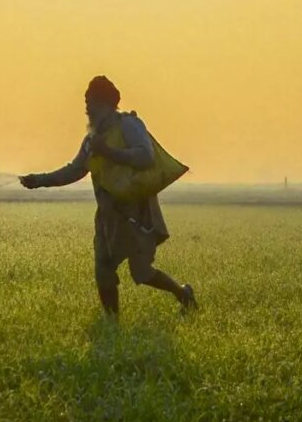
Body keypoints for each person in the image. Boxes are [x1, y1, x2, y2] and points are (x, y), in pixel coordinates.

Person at [19, 75, 197, 319]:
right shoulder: (92, 140)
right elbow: (76, 170)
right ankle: (112, 322)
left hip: (136, 213)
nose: (87, 110)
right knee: (103, 269)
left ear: (105, 105)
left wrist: (109, 152)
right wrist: (39, 180)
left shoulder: (129, 126)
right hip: (108, 216)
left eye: (91, 103)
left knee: (141, 273)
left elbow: (146, 157)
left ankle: (183, 293)